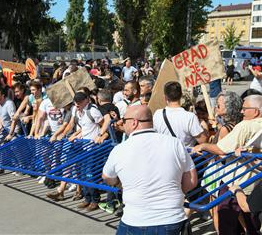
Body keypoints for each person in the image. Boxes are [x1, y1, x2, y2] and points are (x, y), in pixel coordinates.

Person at [102, 105, 197, 234]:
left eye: (124, 120)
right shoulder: (175, 143)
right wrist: (171, 193)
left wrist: (121, 185)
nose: (122, 124)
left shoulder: (119, 149)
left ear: (134, 122)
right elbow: (191, 180)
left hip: (135, 220)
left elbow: (107, 177)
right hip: (171, 219)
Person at [193, 95, 262, 235]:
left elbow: (222, 149)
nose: (242, 112)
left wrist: (203, 146)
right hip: (256, 180)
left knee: (226, 219)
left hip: (237, 180)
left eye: (245, 109)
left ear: (255, 111)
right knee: (251, 220)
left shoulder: (245, 125)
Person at [68, 92, 105, 211]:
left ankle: (95, 199)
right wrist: (76, 135)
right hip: (83, 146)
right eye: (75, 102)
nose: (77, 104)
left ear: (87, 100)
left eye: (79, 101)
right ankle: (87, 198)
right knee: (83, 173)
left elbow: (103, 125)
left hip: (93, 148)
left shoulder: (93, 111)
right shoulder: (77, 111)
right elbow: (84, 128)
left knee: (90, 174)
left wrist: (99, 136)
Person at [153, 81, 207, 147]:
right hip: (185, 155)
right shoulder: (190, 117)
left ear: (165, 97)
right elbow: (203, 141)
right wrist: (204, 125)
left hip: (165, 153)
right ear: (181, 95)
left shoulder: (157, 114)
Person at [0, 86, 18, 177]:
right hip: (4, 128)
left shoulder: (9, 104)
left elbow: (14, 120)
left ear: (3, 95)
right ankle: (0, 168)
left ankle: (21, 166)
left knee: (15, 146)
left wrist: (11, 134)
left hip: (14, 128)